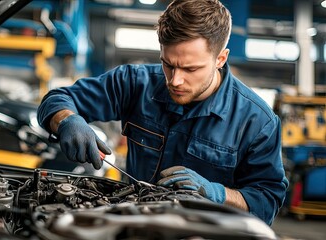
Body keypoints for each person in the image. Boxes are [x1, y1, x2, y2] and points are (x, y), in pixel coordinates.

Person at [37, 0, 288, 225]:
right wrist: (67, 119)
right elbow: (58, 99)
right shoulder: (135, 83)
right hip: (133, 226)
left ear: (220, 59)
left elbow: (267, 201)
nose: (175, 80)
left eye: (190, 69)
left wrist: (216, 193)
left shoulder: (257, 121)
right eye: (168, 64)